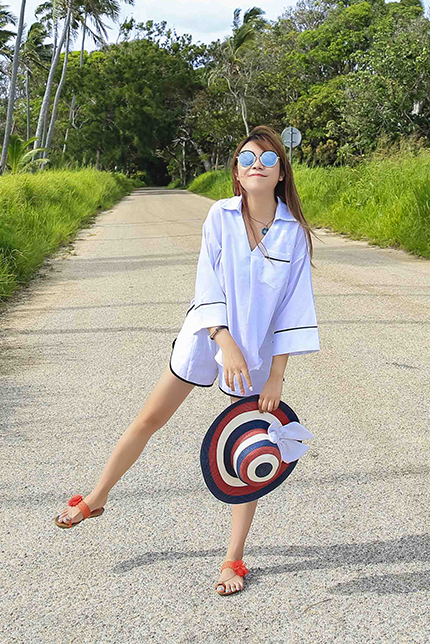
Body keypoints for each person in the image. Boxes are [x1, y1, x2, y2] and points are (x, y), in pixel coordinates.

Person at [54, 125, 320, 597]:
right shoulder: (219, 216)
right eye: (245, 158)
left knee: (252, 449)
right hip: (206, 338)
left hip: (257, 353)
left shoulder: (293, 234)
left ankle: (233, 559)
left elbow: (293, 309)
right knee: (150, 418)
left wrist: (277, 375)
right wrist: (224, 338)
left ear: (281, 173)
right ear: (236, 174)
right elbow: (208, 285)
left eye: (267, 159)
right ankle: (96, 497)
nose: (255, 164)